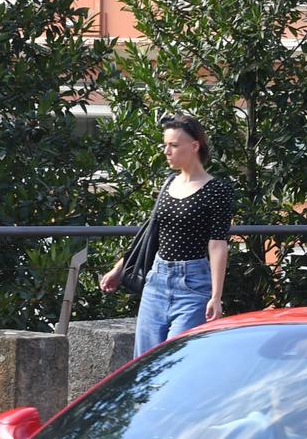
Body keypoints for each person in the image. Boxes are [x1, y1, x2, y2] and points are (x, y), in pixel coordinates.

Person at [99, 115, 234, 355]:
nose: (166, 151)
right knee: (145, 362)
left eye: (173, 145)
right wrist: (119, 269)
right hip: (156, 282)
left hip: (192, 284)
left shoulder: (217, 190)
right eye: (165, 145)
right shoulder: (168, 183)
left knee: (176, 359)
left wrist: (216, 296)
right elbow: (151, 235)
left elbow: (218, 244)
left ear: (194, 146)